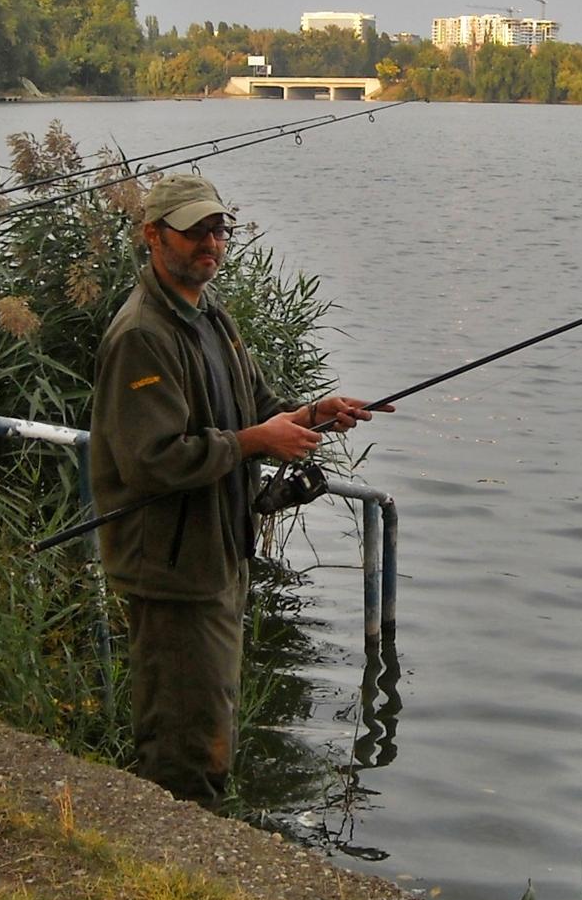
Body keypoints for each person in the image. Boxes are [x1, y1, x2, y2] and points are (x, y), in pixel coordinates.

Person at [88, 173, 384, 807]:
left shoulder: (210, 314)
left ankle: (190, 868)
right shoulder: (142, 335)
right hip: (172, 571)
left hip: (218, 553)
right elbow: (153, 462)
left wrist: (309, 416)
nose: (211, 244)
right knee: (184, 743)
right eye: (194, 231)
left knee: (211, 721)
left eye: (219, 230)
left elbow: (254, 410)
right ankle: (173, 880)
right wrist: (257, 444)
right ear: (152, 236)